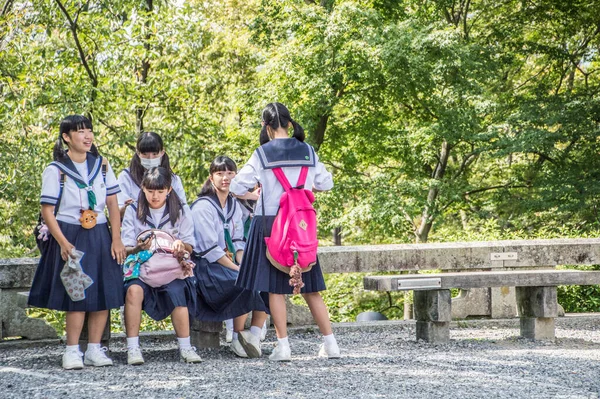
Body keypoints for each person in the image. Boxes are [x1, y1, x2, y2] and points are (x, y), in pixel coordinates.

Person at [230, 102, 341, 361]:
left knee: (275, 289)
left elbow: (236, 186)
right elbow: (327, 183)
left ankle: (283, 347)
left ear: (266, 127)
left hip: (270, 225)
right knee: (311, 288)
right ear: (290, 123)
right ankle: (331, 344)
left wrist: (258, 191)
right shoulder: (308, 151)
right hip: (302, 226)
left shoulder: (262, 154)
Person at [28, 115, 126, 370]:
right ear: (66, 137)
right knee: (76, 293)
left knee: (103, 292)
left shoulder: (102, 165)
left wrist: (116, 238)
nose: (87, 136)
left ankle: (94, 349)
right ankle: (72, 351)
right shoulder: (56, 169)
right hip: (70, 232)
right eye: (80, 131)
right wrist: (62, 242)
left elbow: (113, 204)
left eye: (89, 130)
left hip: (100, 233)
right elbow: (48, 211)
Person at [190, 156, 269, 358]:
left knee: (266, 279)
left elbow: (237, 240)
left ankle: (253, 335)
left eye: (230, 173)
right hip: (207, 268)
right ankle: (236, 337)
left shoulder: (234, 205)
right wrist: (239, 270)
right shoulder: (202, 207)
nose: (225, 178)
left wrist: (245, 264)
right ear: (211, 177)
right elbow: (210, 251)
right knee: (244, 282)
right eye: (220, 173)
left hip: (229, 262)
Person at [121, 166, 201, 365]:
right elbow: (126, 245)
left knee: (178, 293)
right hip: (141, 268)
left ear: (169, 190)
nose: (154, 196)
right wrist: (137, 249)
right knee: (133, 291)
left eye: (160, 191)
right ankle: (132, 348)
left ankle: (185, 347)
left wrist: (181, 245)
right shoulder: (133, 210)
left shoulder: (180, 210)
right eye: (150, 191)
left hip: (171, 269)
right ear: (143, 189)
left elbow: (190, 243)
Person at [117, 132, 188, 218]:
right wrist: (128, 208)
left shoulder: (173, 179)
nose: (150, 158)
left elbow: (184, 210)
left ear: (162, 152)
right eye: (145, 154)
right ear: (138, 153)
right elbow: (117, 212)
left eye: (154, 154)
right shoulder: (126, 177)